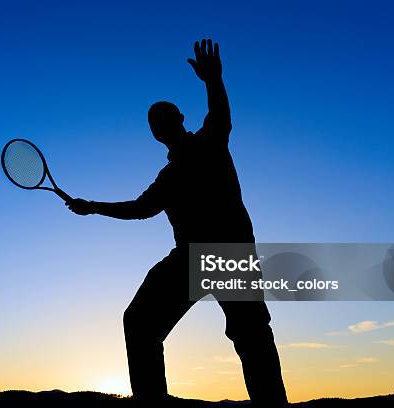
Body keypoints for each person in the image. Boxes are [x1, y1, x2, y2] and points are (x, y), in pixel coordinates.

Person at [67, 39, 288, 407]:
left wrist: (213, 80)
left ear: (179, 120)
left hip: (220, 256)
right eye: (155, 121)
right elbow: (140, 208)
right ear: (155, 133)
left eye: (164, 117)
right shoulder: (168, 177)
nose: (160, 124)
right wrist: (92, 206)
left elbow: (220, 116)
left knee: (250, 336)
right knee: (143, 323)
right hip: (197, 258)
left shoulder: (209, 143)